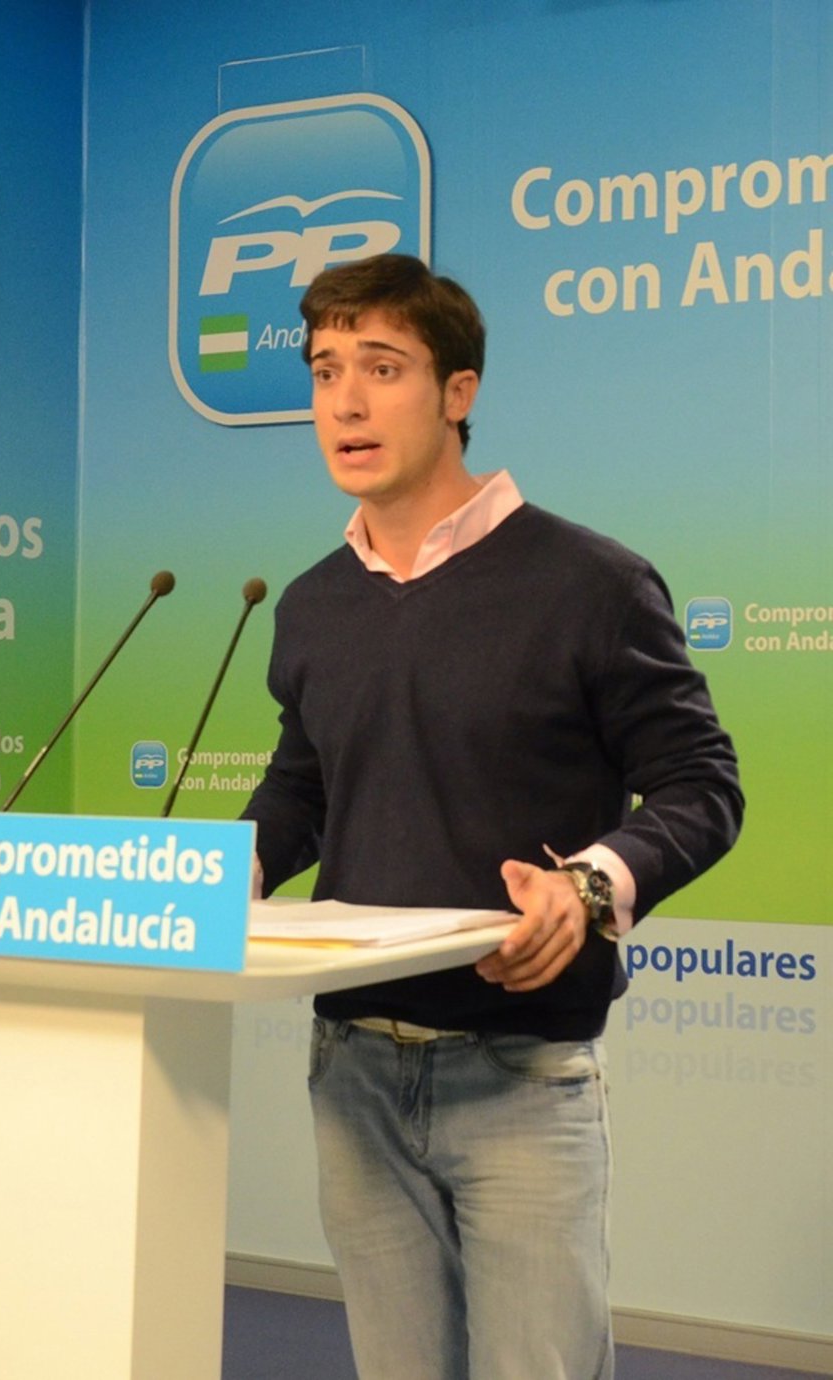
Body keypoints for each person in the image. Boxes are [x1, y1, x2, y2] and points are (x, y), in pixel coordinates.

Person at [241, 254, 743, 1380]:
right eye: (325, 371)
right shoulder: (313, 603)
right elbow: (303, 787)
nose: (346, 403)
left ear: (457, 391)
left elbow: (702, 785)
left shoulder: (591, 583)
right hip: (352, 1071)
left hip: (521, 1076)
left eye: (383, 368)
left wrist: (589, 887)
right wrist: (230, 865)